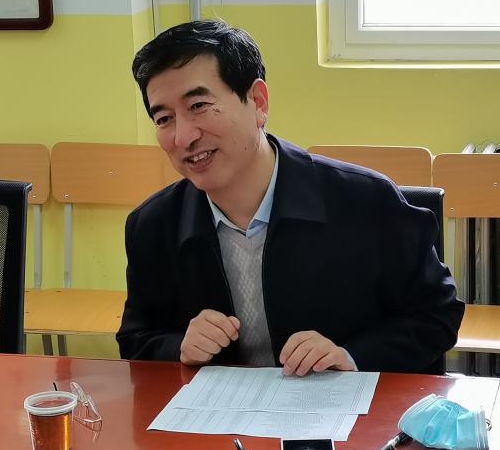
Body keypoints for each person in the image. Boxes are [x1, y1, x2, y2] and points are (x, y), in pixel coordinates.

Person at [117, 20, 463, 375]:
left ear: (258, 102)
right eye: (164, 119)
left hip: (339, 405)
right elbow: (136, 338)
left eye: (200, 105)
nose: (183, 137)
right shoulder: (152, 226)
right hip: (221, 409)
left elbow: (437, 314)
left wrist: (351, 356)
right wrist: (179, 347)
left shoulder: (366, 201)